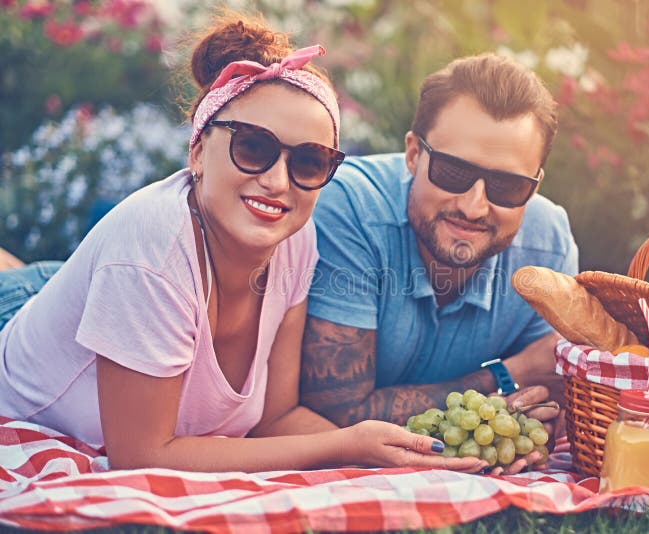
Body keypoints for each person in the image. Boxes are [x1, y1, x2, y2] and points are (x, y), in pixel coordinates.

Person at [0, 11, 485, 475]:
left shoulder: (296, 240)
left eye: (309, 162)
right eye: (252, 146)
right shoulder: (153, 250)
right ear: (197, 151)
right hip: (31, 310)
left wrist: (392, 455)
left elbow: (276, 421)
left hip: (92, 296)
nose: (278, 182)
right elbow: (141, 455)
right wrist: (342, 443)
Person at [300, 53, 579, 473]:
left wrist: (530, 413)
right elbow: (336, 415)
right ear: (413, 154)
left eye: (508, 185)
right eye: (452, 171)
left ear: (535, 185)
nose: (473, 206)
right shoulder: (350, 209)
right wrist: (509, 373)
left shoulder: (549, 245)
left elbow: (546, 407)